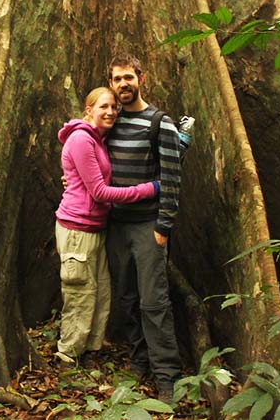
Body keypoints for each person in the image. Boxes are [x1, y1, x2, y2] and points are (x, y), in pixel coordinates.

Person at [55, 86, 159, 365]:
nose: (111, 112)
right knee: (80, 295)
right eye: (104, 107)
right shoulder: (81, 139)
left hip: (96, 227)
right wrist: (149, 189)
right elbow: (99, 192)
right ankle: (68, 356)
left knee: (100, 292)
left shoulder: (98, 139)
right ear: (89, 110)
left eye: (114, 107)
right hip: (77, 228)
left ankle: (90, 351)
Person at [105, 53, 182, 403]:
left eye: (129, 78)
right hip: (115, 225)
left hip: (148, 225)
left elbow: (172, 176)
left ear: (141, 78)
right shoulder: (109, 121)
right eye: (117, 79)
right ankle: (139, 363)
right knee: (127, 298)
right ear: (111, 83)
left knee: (155, 301)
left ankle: (167, 376)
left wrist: (163, 225)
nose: (123, 84)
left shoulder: (159, 123)